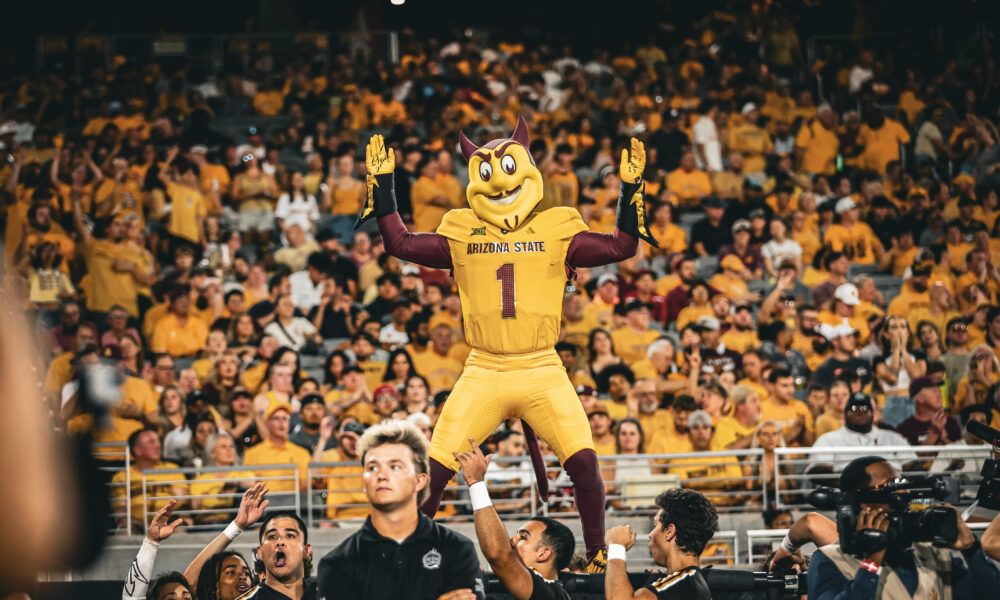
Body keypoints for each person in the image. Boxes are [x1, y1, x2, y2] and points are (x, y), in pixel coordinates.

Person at [357, 125, 657, 567]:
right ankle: (405, 553)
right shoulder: (462, 230)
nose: (500, 182)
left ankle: (596, 555)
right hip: (484, 367)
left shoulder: (557, 228)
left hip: (541, 367)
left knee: (586, 466)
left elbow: (621, 245)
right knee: (434, 473)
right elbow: (398, 243)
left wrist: (632, 188)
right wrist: (384, 186)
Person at [317, 420, 483, 599]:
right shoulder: (337, 563)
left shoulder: (457, 550)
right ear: (364, 483)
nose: (381, 475)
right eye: (372, 467)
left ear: (419, 481)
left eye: (394, 466)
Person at [807, 455, 993, 599]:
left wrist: (972, 550)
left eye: (902, 483)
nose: (903, 492)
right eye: (892, 486)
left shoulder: (932, 553)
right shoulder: (830, 560)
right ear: (863, 503)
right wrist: (870, 564)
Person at [454, 437, 573, 600]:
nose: (511, 540)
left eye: (523, 537)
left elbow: (498, 554)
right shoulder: (493, 585)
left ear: (543, 553)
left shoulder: (552, 593)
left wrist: (476, 483)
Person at [603, 489, 715, 600]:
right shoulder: (691, 581)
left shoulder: (685, 583)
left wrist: (616, 546)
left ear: (669, 531)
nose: (650, 535)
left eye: (655, 525)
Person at [808, 393, 917, 474]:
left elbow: (913, 465)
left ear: (872, 414)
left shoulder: (893, 438)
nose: (859, 411)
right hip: (845, 495)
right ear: (845, 414)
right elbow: (818, 470)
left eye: (864, 408)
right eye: (854, 408)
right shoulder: (828, 439)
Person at [238, 510, 317, 599]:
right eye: (272, 536)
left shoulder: (327, 592)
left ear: (306, 550)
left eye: (290, 535)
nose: (280, 542)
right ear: (260, 553)